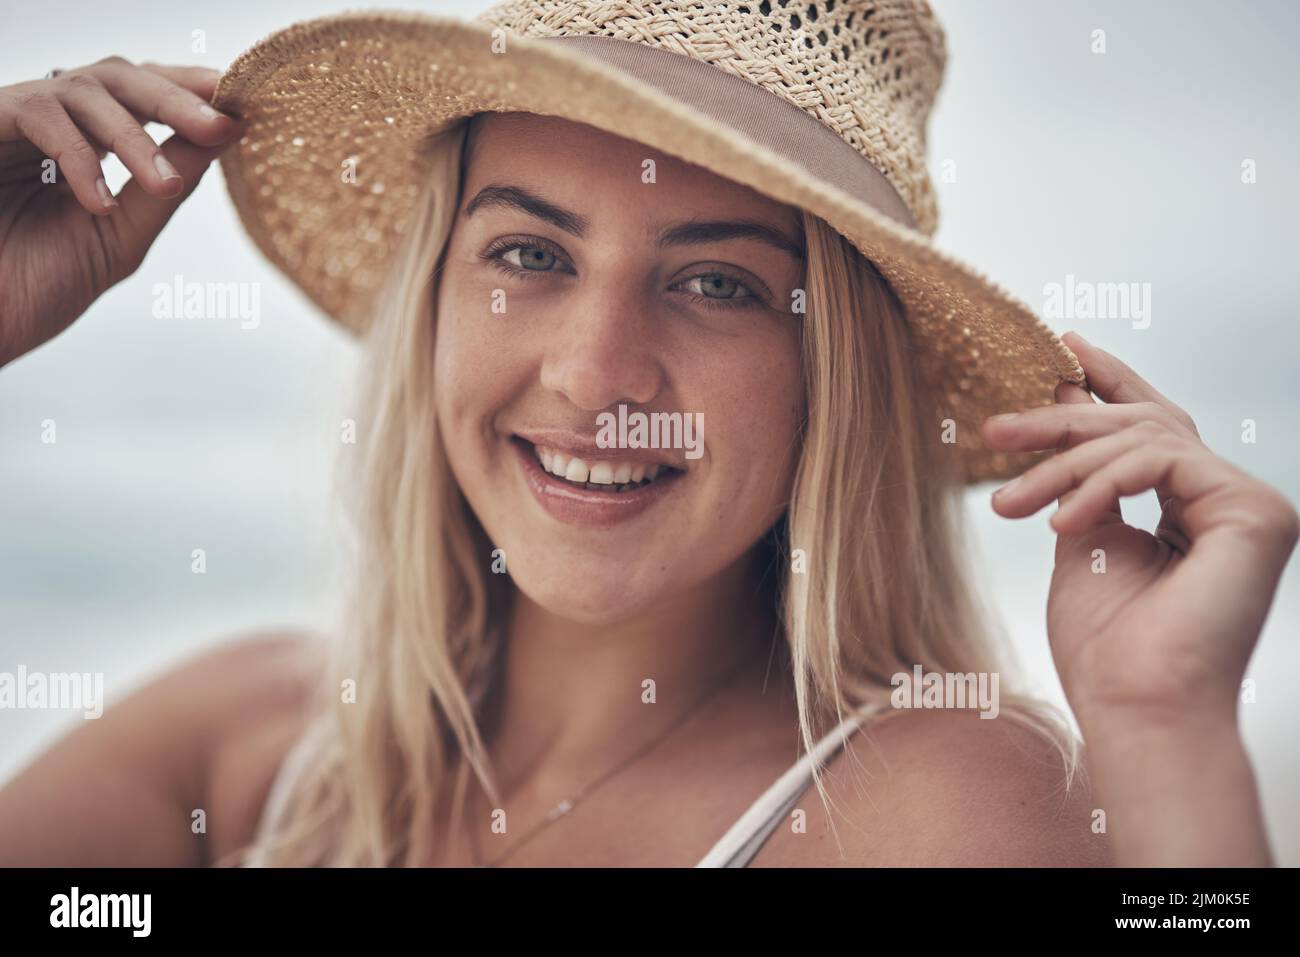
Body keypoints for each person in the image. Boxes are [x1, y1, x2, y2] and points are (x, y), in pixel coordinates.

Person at [0, 2, 1295, 868]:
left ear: (830, 371)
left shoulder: (934, 808)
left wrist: (1162, 732)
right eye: (529, 253)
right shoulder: (242, 752)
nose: (593, 372)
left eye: (718, 282)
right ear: (435, 294)